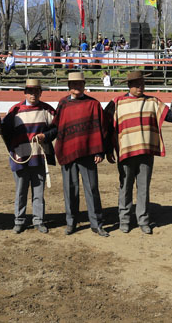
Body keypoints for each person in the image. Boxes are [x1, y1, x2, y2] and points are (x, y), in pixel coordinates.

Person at [104, 71, 172, 234]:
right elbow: (106, 126)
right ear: (128, 86)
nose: (139, 87)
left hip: (146, 152)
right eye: (136, 84)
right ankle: (125, 220)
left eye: (141, 83)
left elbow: (171, 116)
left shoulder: (153, 102)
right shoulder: (117, 102)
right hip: (125, 153)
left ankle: (143, 220)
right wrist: (107, 150)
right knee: (125, 187)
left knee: (143, 188)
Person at [52, 71, 111, 237]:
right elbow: (57, 127)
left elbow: (101, 128)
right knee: (70, 189)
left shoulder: (93, 104)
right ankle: (71, 222)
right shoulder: (62, 104)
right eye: (73, 84)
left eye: (79, 84)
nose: (76, 87)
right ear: (69, 87)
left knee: (92, 189)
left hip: (88, 153)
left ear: (84, 86)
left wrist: (100, 150)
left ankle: (97, 223)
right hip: (68, 152)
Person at [1, 79, 57, 234]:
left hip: (39, 157)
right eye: (30, 91)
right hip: (20, 158)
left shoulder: (48, 110)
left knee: (39, 192)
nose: (33, 94)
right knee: (21, 191)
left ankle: (38, 220)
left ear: (40, 92)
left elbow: (57, 128)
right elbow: (4, 132)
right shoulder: (15, 110)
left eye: (36, 91)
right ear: (25, 93)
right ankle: (19, 220)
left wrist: (45, 136)